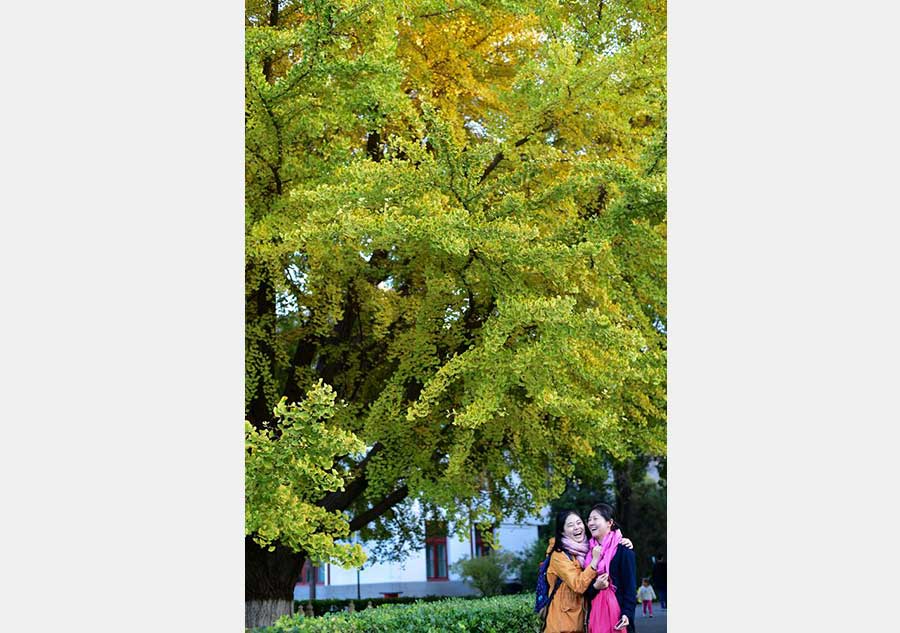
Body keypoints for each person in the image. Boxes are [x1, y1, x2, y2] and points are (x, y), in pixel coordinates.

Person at [543, 510, 604, 633]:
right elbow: (578, 585)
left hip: (580, 625)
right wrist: (594, 561)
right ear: (562, 531)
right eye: (570, 525)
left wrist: (622, 542)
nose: (576, 527)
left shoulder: (587, 549)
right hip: (561, 627)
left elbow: (609, 541)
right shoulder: (559, 555)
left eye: (579, 523)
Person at [583, 504, 637, 633]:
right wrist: (596, 586)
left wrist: (627, 614)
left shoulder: (623, 550)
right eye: (589, 520)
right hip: (595, 618)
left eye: (595, 519)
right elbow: (583, 590)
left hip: (618, 616)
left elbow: (630, 588)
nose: (591, 523)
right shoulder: (588, 553)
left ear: (609, 522)